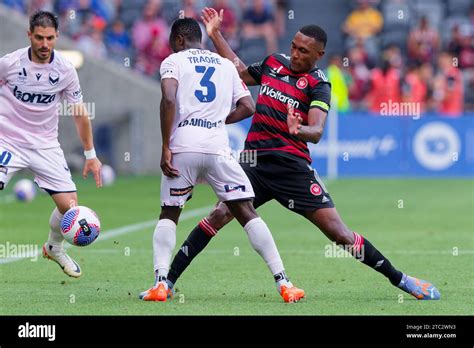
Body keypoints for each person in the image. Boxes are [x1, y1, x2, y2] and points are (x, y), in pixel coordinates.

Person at [165, 7, 441, 301]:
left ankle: (401, 280)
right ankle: (167, 282)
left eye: (303, 51)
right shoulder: (274, 64)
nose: (295, 55)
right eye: (294, 47)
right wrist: (216, 34)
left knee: (339, 234)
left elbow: (317, 131)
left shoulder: (318, 84)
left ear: (318, 54)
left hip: (292, 168)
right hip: (254, 164)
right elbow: (240, 72)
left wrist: (299, 129)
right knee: (218, 215)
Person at [138, 18, 304, 303]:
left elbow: (168, 100)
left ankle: (160, 284)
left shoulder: (173, 61)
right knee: (247, 212)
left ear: (178, 40)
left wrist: (166, 146)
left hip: (184, 147)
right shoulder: (226, 65)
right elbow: (248, 106)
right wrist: (217, 120)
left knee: (170, 213)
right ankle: (284, 283)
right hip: (217, 148)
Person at [0, 11, 102, 277]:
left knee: (70, 207)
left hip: (45, 146)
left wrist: (90, 155)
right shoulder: (9, 64)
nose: (45, 44)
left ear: (57, 37)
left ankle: (54, 247)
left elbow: (79, 113)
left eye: (50, 38)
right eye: (39, 38)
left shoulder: (65, 70)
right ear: (29, 36)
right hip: (7, 142)